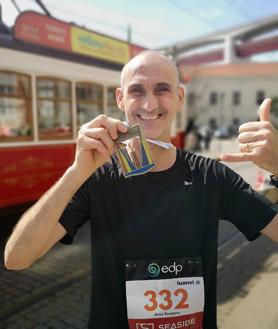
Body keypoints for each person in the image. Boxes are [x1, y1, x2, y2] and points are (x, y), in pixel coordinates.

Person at [4, 51, 278, 329]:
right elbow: (17, 258)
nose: (149, 103)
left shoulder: (212, 176)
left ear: (179, 97)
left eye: (163, 90)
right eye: (137, 91)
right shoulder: (96, 179)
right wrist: (75, 173)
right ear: (120, 99)